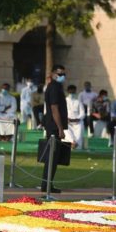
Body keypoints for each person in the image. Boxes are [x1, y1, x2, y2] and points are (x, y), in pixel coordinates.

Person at [41, 64, 68, 193]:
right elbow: (54, 108)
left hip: (53, 126)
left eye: (64, 74)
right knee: (52, 157)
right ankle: (46, 185)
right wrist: (60, 128)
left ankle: (47, 184)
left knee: (54, 157)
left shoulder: (57, 87)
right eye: (59, 74)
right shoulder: (54, 87)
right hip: (53, 127)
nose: (62, 76)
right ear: (52, 74)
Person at [64, 85, 85, 149]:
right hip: (67, 121)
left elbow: (83, 113)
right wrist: (66, 118)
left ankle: (76, 144)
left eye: (73, 91)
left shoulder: (78, 101)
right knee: (64, 128)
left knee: (80, 126)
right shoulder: (64, 101)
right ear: (68, 91)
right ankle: (72, 142)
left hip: (77, 122)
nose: (72, 93)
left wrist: (77, 119)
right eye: (71, 91)